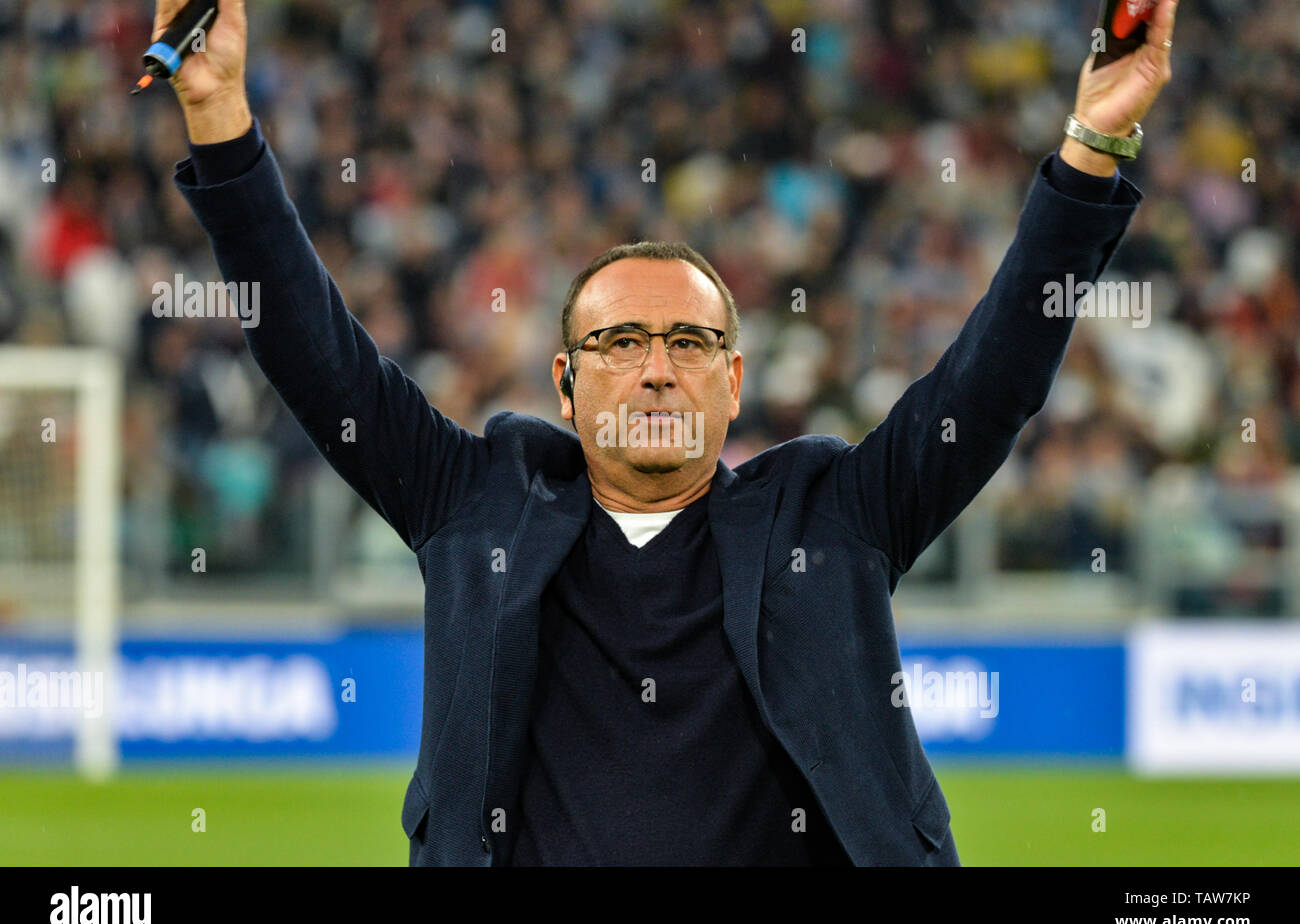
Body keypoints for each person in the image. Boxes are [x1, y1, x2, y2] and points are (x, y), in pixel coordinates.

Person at [156, 0, 1176, 865]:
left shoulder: (835, 513)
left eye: (690, 340)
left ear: (733, 384)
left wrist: (1091, 148)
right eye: (621, 340)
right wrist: (217, 114)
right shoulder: (472, 502)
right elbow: (310, 347)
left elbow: (993, 378)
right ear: (564, 381)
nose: (654, 364)